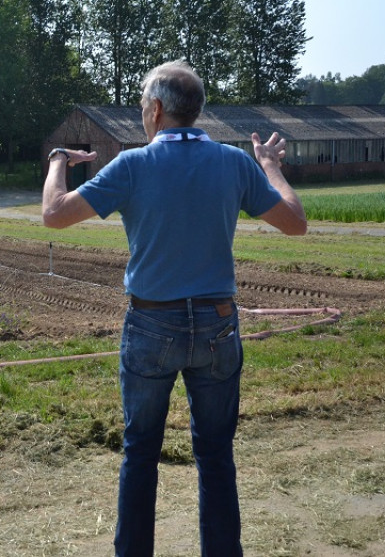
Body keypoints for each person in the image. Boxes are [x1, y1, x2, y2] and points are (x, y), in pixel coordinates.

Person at [41, 60, 307, 557]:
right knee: (215, 454)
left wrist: (58, 160)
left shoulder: (133, 165)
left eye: (144, 107)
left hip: (150, 324)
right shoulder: (234, 162)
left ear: (157, 110)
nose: (144, 114)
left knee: (141, 453)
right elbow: (295, 223)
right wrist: (270, 165)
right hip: (218, 327)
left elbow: (54, 215)